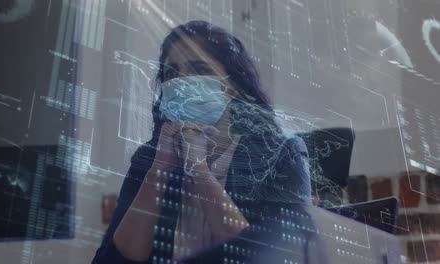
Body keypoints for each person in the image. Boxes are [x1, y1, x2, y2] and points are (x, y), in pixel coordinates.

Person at [93, 20, 311, 264]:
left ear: (232, 86)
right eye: (172, 72)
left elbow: (282, 258)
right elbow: (110, 260)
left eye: (199, 69)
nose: (183, 81)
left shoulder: (281, 155)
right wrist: (158, 172)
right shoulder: (148, 159)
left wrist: (199, 171)